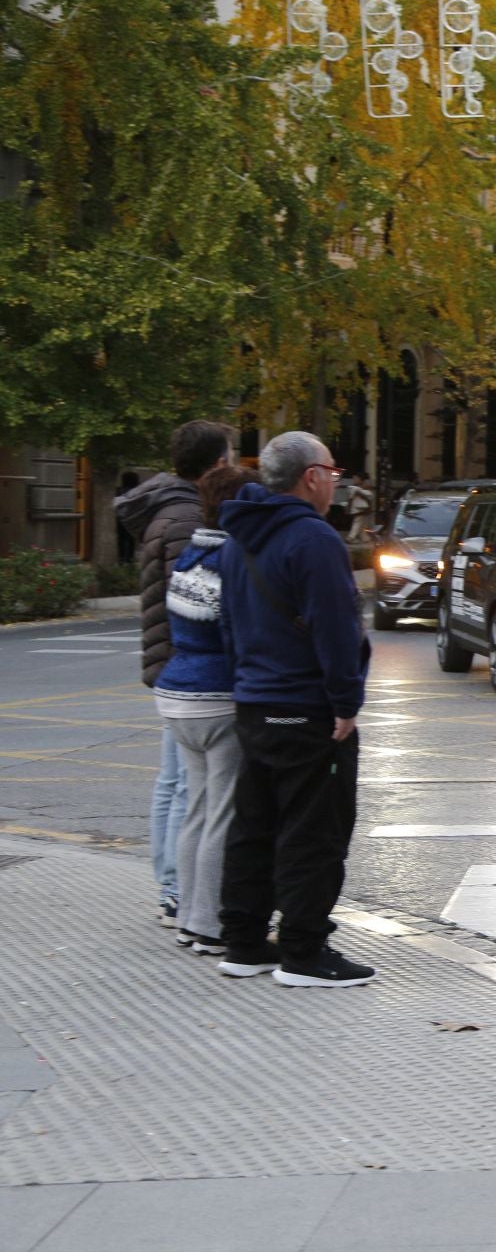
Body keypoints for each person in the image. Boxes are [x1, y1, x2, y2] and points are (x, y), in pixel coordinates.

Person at [216, 431, 375, 987]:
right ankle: (305, 952)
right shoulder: (313, 540)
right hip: (307, 707)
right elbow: (336, 626)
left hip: (255, 702)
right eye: (333, 471)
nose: (337, 481)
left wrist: (247, 683)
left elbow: (229, 622)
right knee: (314, 831)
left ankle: (243, 942)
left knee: (254, 827)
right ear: (312, 476)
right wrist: (345, 700)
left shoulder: (240, 537)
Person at [113, 419, 234, 928]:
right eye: (229, 455)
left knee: (175, 783)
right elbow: (197, 598)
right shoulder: (188, 515)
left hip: (172, 662)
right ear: (216, 462)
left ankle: (173, 890)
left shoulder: (166, 507)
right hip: (189, 667)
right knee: (188, 789)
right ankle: (178, 894)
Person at [154, 465, 260, 955]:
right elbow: (236, 634)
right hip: (216, 697)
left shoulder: (191, 553)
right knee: (222, 813)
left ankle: (188, 917)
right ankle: (212, 924)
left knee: (196, 810)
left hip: (175, 694)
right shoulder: (233, 558)